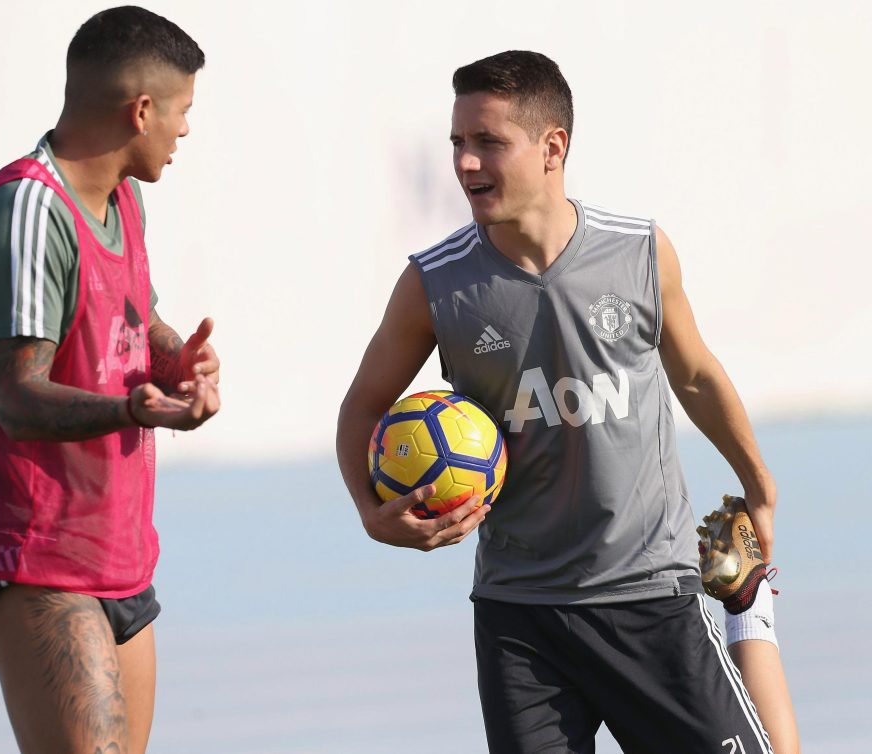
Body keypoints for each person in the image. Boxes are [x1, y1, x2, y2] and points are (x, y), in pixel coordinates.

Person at [336, 51, 799, 753]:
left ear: (553, 147)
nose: (464, 163)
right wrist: (373, 516)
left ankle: (748, 615)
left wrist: (757, 485)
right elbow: (363, 407)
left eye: (488, 142)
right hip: (521, 619)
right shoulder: (434, 284)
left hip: (650, 596)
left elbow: (696, 374)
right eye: (458, 143)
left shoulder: (638, 251)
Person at [0, 7, 219, 753]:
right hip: (33, 556)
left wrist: (180, 363)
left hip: (119, 556)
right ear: (142, 110)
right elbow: (16, 397)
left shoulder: (125, 198)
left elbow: (139, 323)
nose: (185, 130)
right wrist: (138, 409)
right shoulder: (28, 213)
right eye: (183, 111)